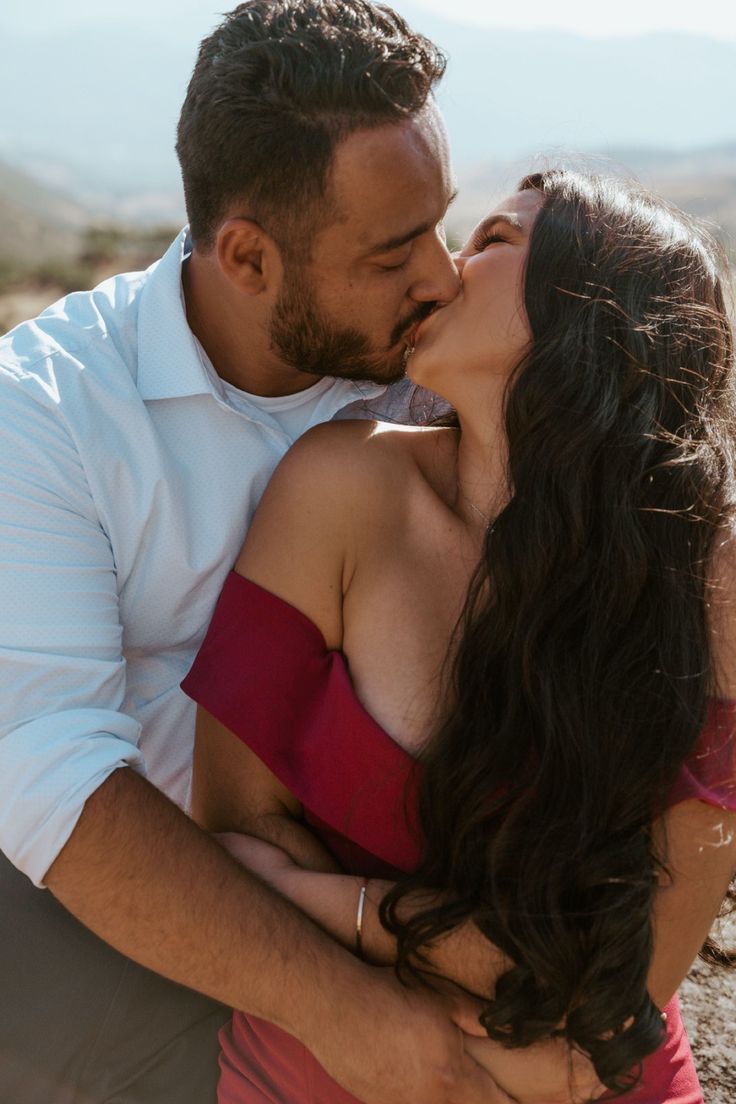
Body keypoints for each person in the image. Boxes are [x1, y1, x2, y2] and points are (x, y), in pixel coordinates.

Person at [0, 4, 515, 1102]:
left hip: (383, 899)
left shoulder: (438, 368)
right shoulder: (43, 416)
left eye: (441, 225)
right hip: (114, 919)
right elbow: (53, 782)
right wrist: (347, 1013)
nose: (438, 276)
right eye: (390, 252)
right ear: (245, 255)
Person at [183, 169, 736, 1103]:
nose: (441, 273)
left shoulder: (710, 575)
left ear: (591, 307)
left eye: (489, 243)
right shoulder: (340, 488)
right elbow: (234, 835)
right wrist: (460, 960)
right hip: (329, 1053)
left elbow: (626, 986)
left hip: (583, 1082)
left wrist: (356, 911)